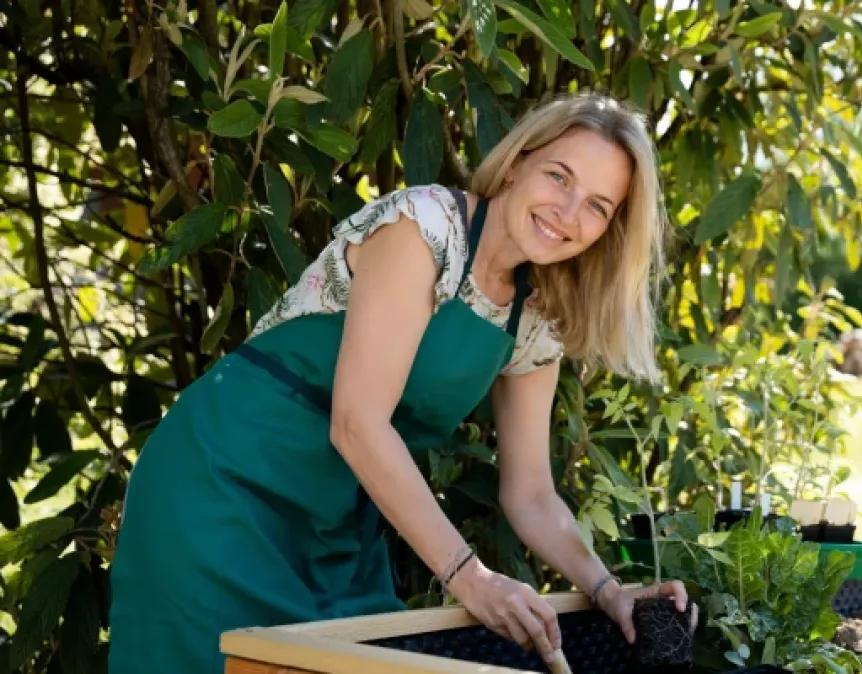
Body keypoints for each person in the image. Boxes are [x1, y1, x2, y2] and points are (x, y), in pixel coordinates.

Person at [106, 92, 694, 673]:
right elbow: (357, 424)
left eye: (597, 206)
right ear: (517, 163)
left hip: (333, 524)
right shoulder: (426, 227)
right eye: (559, 177)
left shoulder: (535, 319)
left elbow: (532, 495)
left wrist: (608, 590)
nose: (567, 212)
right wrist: (471, 576)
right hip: (223, 484)